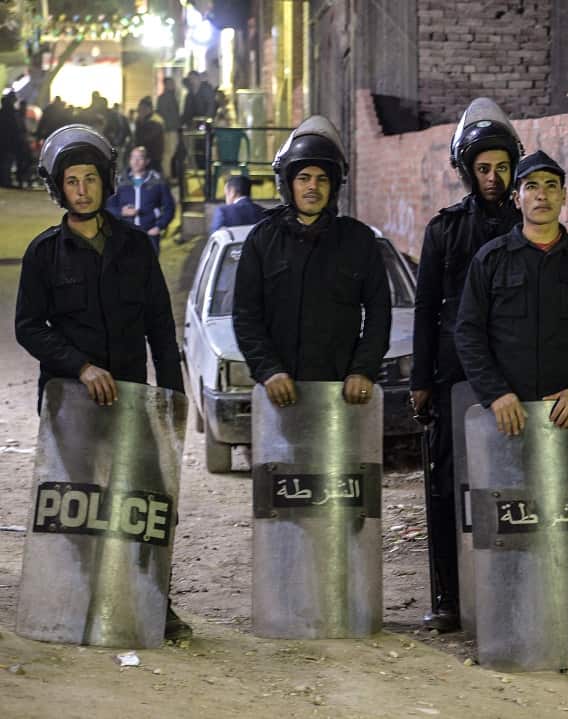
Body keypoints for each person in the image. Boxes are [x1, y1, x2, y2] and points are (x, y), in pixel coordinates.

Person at [13, 124, 190, 640]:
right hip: (71, 404)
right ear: (59, 188)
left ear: (105, 181)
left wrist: (173, 398)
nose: (82, 189)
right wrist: (80, 367)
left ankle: (154, 602)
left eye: (90, 178)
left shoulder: (136, 247)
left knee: (144, 502)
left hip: (133, 401)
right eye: (72, 181)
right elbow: (28, 327)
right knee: (77, 504)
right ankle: (76, 599)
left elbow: (160, 326)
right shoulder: (44, 254)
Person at [410, 98, 523, 632]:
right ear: (466, 171)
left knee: (512, 484)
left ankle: (512, 590)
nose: (493, 178)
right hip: (454, 377)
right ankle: (449, 598)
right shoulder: (444, 231)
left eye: (501, 167)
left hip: (516, 377)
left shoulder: (530, 224)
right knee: (448, 486)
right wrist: (420, 380)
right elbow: (426, 308)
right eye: (483, 168)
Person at [232, 115, 391, 410]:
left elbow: (379, 312)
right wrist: (268, 370)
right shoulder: (262, 240)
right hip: (280, 395)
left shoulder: (358, 240)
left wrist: (363, 370)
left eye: (322, 179)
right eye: (304, 178)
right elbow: (246, 315)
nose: (313, 187)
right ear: (288, 184)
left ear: (334, 187)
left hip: (342, 396)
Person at [456, 150, 568, 436]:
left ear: (563, 196)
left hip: (565, 416)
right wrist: (495, 393)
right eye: (531, 186)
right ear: (517, 199)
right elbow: (468, 333)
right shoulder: (491, 260)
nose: (542, 195)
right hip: (504, 415)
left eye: (551, 186)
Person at [105, 146, 175, 255]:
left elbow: (169, 207)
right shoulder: (120, 181)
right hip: (125, 235)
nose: (136, 161)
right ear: (129, 160)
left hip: (149, 235)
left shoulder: (157, 181)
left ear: (147, 161)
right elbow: (108, 207)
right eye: (133, 157)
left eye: (140, 158)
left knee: (149, 264)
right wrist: (121, 212)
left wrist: (159, 227)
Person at [133, 97, 166, 174]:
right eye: (140, 109)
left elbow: (144, 139)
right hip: (145, 156)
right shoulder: (141, 120)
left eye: (143, 109)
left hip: (153, 157)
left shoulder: (155, 121)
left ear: (149, 109)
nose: (141, 111)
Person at [157, 77, 181, 180]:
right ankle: (167, 175)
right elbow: (165, 114)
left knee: (169, 152)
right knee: (169, 152)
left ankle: (168, 174)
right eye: (170, 83)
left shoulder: (170, 97)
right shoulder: (166, 98)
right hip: (170, 129)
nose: (173, 85)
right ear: (166, 85)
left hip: (171, 128)